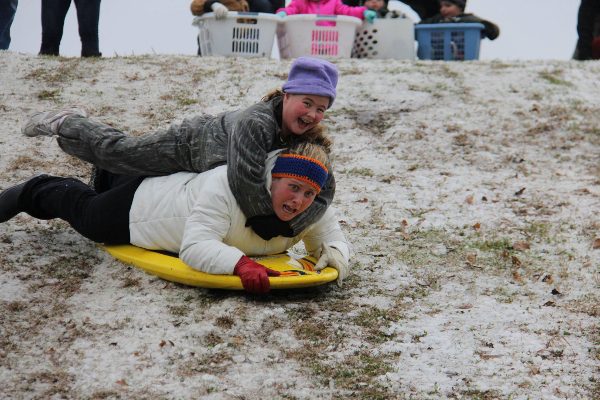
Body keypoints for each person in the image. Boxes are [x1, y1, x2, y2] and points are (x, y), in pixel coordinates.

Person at [21, 57, 338, 242]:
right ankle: (67, 122)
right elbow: (245, 176)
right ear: (288, 95)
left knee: (133, 171)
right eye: (306, 103)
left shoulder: (307, 136)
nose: (312, 114)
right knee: (118, 152)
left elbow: (325, 189)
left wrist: (292, 224)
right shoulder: (257, 122)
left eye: (321, 109)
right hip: (189, 146)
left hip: (198, 173)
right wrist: (265, 218)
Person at [0, 143, 350, 294]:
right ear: (270, 178)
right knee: (91, 218)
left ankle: (110, 170)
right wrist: (239, 264)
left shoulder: (310, 207)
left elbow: (333, 240)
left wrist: (335, 259)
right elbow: (194, 247)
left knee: (117, 180)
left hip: (176, 189)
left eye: (309, 194)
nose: (300, 200)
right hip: (143, 208)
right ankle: (35, 189)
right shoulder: (227, 187)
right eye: (292, 187)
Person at [419, 0, 499, 41]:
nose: (443, 9)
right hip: (436, 55)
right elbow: (420, 27)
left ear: (460, 7)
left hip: (461, 54)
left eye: (448, 5)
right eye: (441, 6)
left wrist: (488, 27)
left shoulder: (468, 19)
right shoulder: (437, 19)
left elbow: (494, 31)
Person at [276, 0, 378, 24]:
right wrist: (283, 13)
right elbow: (291, 9)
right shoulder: (301, 2)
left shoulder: (334, 3)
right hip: (305, 42)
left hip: (330, 44)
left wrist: (364, 12)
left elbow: (348, 11)